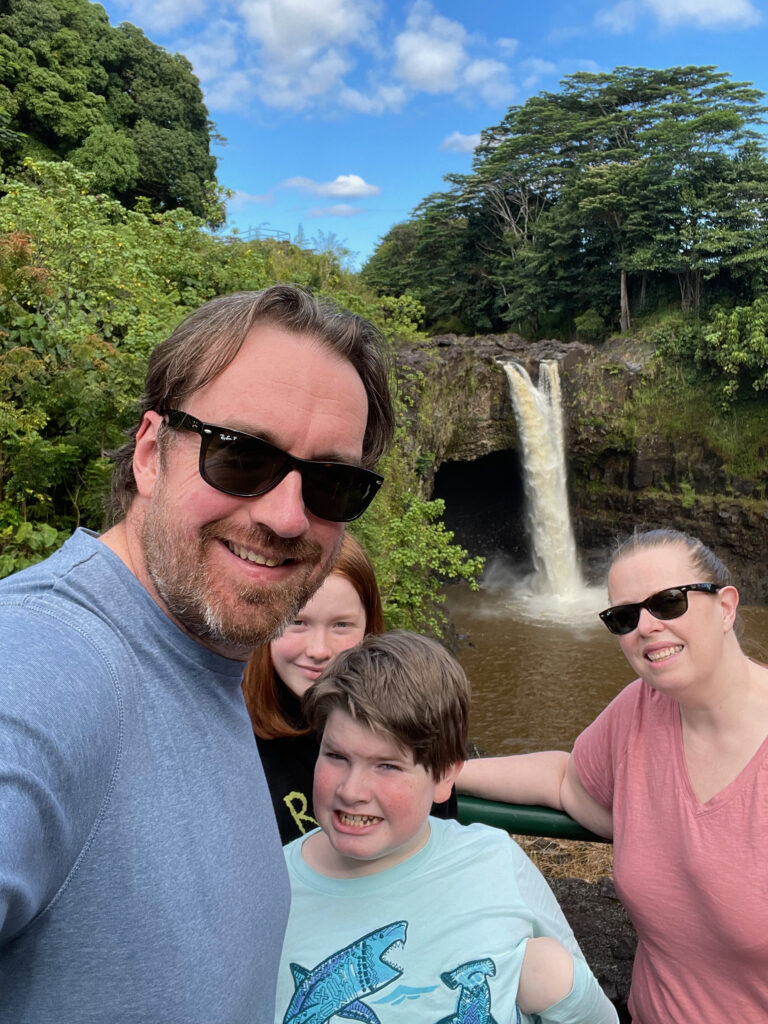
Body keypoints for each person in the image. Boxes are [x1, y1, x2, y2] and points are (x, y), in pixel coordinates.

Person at [0, 284, 395, 1024]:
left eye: (332, 483)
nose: (285, 516)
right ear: (151, 453)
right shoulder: (46, 660)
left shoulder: (205, 659)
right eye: (241, 455)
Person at [458, 529, 768, 1022]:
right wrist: (444, 772)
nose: (646, 627)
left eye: (668, 602)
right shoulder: (639, 712)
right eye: (624, 617)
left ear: (726, 607)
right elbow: (565, 780)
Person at [275, 631, 618, 1024]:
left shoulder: (495, 862)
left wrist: (559, 984)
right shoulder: (269, 889)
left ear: (444, 776)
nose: (351, 791)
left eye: (387, 765)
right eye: (336, 756)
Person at [244, 533, 458, 842]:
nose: (319, 650)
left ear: (370, 628)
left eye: (341, 625)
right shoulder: (233, 738)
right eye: (298, 622)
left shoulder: (408, 725)